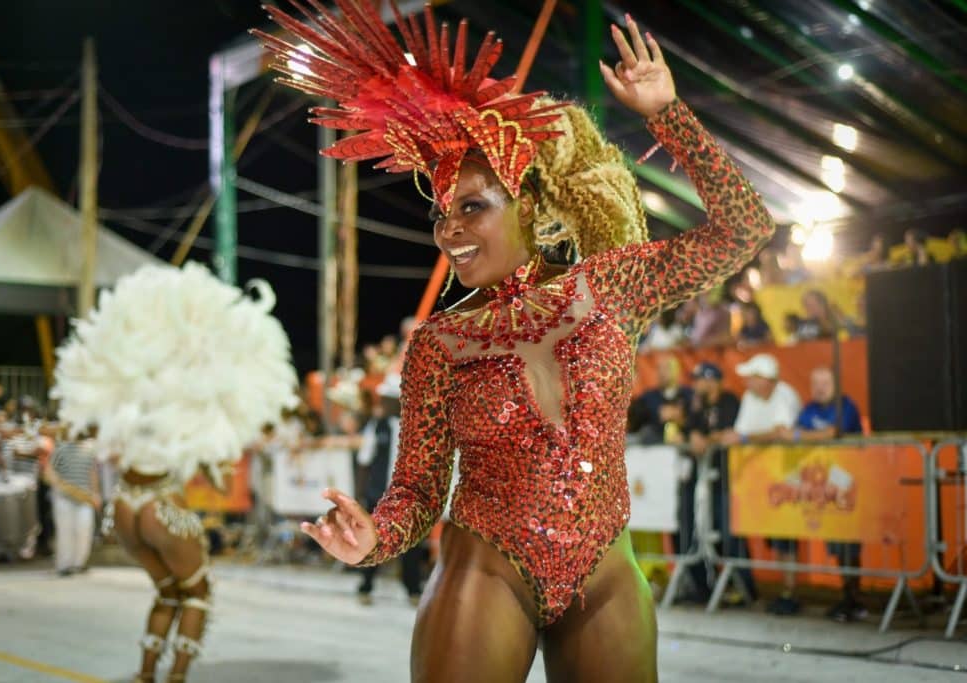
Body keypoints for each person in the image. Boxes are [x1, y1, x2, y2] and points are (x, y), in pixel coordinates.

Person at [256, 4, 774, 680]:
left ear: (527, 205)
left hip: (606, 576)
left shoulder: (611, 286)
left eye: (472, 207)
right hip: (486, 575)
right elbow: (417, 488)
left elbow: (744, 229)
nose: (450, 230)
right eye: (442, 214)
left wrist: (667, 114)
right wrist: (374, 538)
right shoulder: (440, 341)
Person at [51, 263, 298, 683]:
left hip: (124, 509)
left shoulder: (126, 398)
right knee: (197, 593)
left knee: (167, 591)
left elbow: (87, 426)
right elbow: (215, 466)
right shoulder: (185, 402)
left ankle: (146, 674)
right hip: (161, 509)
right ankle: (176, 677)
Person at [721, 353, 802, 615]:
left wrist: (746, 439)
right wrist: (743, 438)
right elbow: (742, 432)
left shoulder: (785, 395)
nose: (747, 382)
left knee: (785, 536)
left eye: (752, 377)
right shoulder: (750, 398)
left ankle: (790, 590)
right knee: (773, 535)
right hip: (760, 480)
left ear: (766, 379)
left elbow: (780, 432)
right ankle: (780, 589)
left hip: (787, 478)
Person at [791, 367, 866, 622]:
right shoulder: (809, 409)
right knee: (836, 543)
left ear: (836, 385)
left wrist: (802, 436)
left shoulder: (847, 406)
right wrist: (803, 436)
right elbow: (793, 433)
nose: (820, 388)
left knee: (849, 544)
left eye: (825, 383)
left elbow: (834, 432)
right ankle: (846, 595)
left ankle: (854, 598)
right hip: (824, 487)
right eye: (816, 383)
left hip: (848, 485)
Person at [682, 363, 754, 604]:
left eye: (699, 380)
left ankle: (744, 586)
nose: (695, 384)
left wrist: (707, 439)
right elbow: (691, 429)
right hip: (705, 481)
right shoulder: (698, 404)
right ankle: (710, 586)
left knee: (729, 532)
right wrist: (694, 435)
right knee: (703, 532)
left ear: (712, 381)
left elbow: (730, 432)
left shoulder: (729, 401)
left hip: (727, 479)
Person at [355, 375, 425, 606]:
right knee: (373, 541)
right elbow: (364, 460)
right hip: (378, 496)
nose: (383, 402)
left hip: (407, 498)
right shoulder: (377, 426)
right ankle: (366, 585)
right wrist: (360, 495)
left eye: (387, 398)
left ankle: (413, 589)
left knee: (411, 544)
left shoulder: (415, 427)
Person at [45, 429, 101, 576]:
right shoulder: (60, 449)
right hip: (63, 497)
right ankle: (64, 565)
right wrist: (60, 485)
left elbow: (93, 473)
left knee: (84, 530)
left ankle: (79, 563)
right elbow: (49, 470)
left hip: (84, 497)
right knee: (65, 531)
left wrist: (95, 493)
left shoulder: (90, 450)